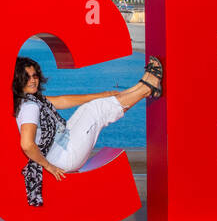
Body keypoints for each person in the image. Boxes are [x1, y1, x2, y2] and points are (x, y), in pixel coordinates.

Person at [14, 56, 163, 206]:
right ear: (19, 80)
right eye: (27, 77)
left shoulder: (34, 100)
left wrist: (100, 95)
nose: (33, 80)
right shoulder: (30, 107)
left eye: (34, 76)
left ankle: (140, 87)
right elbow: (27, 144)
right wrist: (48, 166)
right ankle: (146, 88)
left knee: (89, 107)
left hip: (61, 145)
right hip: (63, 158)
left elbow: (63, 100)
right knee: (96, 111)